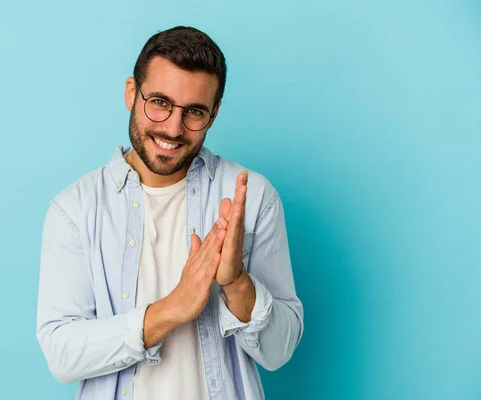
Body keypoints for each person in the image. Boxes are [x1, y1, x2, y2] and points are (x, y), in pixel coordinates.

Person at [36, 26, 303, 400]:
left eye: (194, 111)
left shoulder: (252, 197)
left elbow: (278, 352)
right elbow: (61, 354)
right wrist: (170, 310)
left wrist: (236, 283)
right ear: (132, 93)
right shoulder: (74, 210)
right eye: (159, 102)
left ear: (214, 114)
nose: (173, 128)